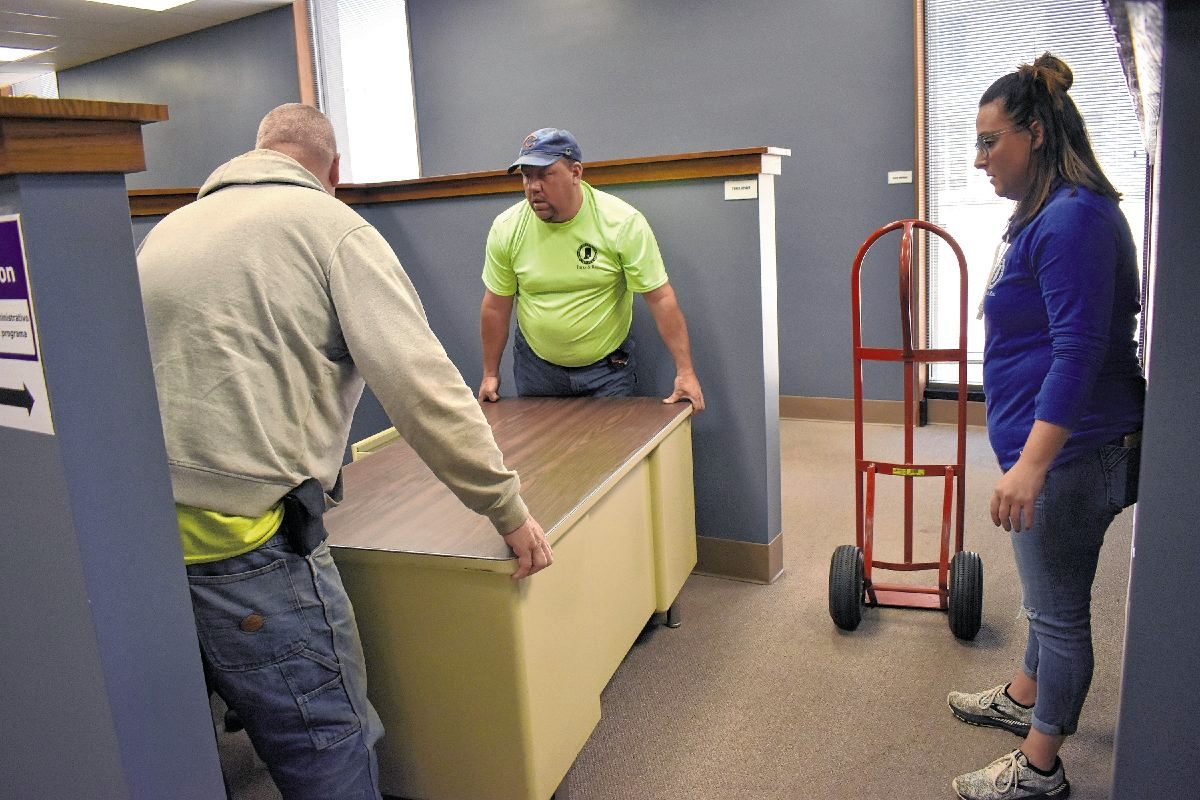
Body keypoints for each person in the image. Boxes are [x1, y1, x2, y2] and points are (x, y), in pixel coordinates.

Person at [137, 103, 552, 800]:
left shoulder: (168, 229)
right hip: (247, 540)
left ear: (259, 152)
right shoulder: (332, 229)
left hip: (139, 536)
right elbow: (421, 388)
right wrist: (505, 508)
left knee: (177, 738)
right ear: (334, 171)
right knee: (329, 742)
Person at [946, 54, 1145, 800]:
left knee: (1060, 615)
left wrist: (1031, 463)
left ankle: (1039, 768)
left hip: (1075, 451)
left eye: (990, 140)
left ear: (1034, 133)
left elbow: (1080, 349)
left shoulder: (1074, 220)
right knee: (1046, 595)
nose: (979, 157)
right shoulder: (1048, 215)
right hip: (1065, 444)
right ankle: (1024, 694)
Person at [477, 127, 705, 412]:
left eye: (544, 175)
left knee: (613, 453)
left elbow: (660, 298)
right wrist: (490, 373)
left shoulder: (621, 222)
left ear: (576, 173)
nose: (533, 186)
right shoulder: (507, 228)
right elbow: (496, 306)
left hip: (607, 370)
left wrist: (685, 372)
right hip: (536, 369)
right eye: (526, 176)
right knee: (542, 453)